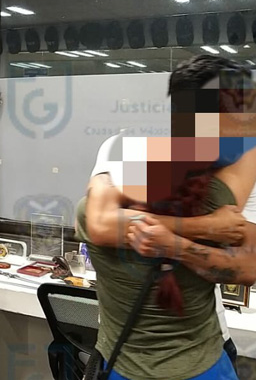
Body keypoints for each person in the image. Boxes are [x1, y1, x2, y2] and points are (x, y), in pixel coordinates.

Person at [77, 55, 256, 379]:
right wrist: (205, 227)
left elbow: (249, 268)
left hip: (181, 349)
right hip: (150, 358)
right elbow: (101, 224)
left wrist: (173, 241)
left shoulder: (234, 174)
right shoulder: (127, 152)